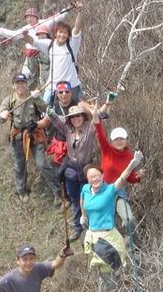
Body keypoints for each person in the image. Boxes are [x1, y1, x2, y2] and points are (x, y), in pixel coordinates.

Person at [41, 102, 111, 242]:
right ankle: (78, 227)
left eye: (78, 115)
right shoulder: (68, 130)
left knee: (87, 199)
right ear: (70, 119)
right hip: (71, 171)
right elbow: (55, 118)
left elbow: (97, 117)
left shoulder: (90, 129)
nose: (76, 119)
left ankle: (91, 227)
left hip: (86, 171)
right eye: (73, 117)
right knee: (74, 199)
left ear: (83, 116)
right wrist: (44, 106)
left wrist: (107, 103)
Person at [80, 151, 143, 292]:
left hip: (107, 237)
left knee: (108, 272)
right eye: (91, 177)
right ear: (87, 180)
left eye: (97, 175)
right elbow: (82, 200)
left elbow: (122, 178)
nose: (94, 179)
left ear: (102, 175)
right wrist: (83, 215)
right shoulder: (86, 189)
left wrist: (132, 164)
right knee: (104, 272)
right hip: (93, 236)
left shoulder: (109, 190)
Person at [0, 73, 60, 203]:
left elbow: (46, 109)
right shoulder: (10, 100)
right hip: (18, 136)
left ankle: (58, 191)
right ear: (13, 86)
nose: (20, 85)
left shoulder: (33, 96)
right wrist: (2, 116)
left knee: (42, 164)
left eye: (22, 83)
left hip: (35, 134)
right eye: (17, 83)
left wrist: (38, 98)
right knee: (20, 165)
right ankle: (21, 191)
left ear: (26, 84)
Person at [0, 7, 70, 90]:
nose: (29, 19)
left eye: (31, 17)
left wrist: (67, 9)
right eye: (27, 17)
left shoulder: (45, 22)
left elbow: (57, 17)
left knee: (45, 75)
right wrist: (0, 30)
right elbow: (13, 34)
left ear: (36, 17)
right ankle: (24, 90)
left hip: (43, 54)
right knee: (26, 74)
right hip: (31, 55)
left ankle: (47, 87)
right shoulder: (26, 28)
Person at [24, 2, 84, 105]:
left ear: (68, 35)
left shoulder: (72, 45)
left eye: (65, 33)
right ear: (55, 33)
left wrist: (80, 12)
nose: (62, 35)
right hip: (53, 86)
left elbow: (77, 28)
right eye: (60, 32)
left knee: (80, 109)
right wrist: (25, 34)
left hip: (72, 86)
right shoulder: (49, 44)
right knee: (45, 109)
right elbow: (32, 41)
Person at [94, 113, 144, 236]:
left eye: (122, 138)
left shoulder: (129, 156)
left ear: (126, 140)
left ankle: (132, 242)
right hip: (103, 190)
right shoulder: (107, 150)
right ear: (111, 141)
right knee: (103, 223)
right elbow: (100, 134)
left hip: (119, 192)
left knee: (129, 219)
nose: (119, 141)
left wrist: (138, 177)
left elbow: (130, 178)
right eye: (116, 139)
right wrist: (96, 118)